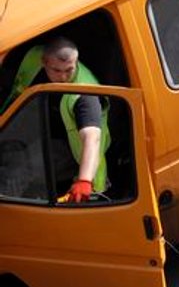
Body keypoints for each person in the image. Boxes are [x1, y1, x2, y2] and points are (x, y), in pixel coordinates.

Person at [3, 38, 109, 203]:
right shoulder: (33, 57)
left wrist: (84, 180)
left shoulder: (85, 94)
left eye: (69, 70)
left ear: (76, 62)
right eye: (57, 70)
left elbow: (92, 138)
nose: (63, 77)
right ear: (44, 62)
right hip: (38, 128)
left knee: (19, 170)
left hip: (69, 148)